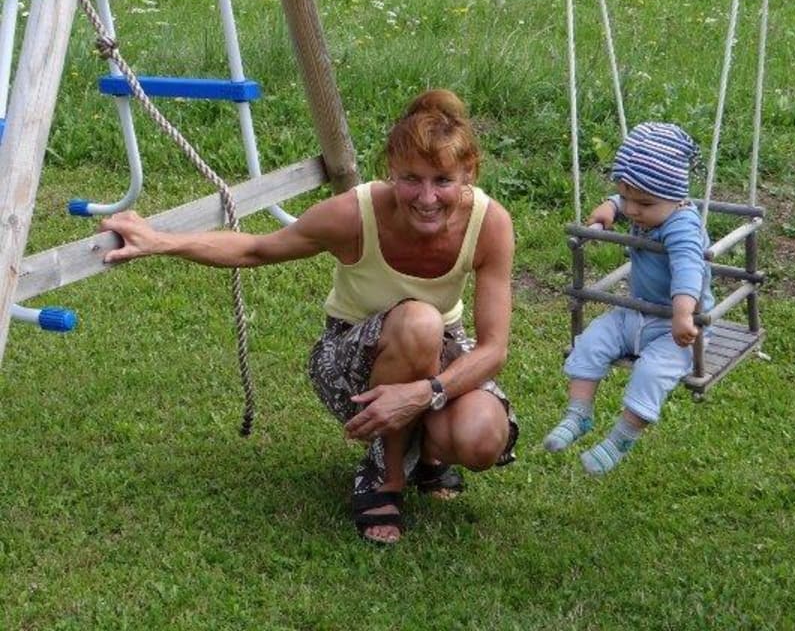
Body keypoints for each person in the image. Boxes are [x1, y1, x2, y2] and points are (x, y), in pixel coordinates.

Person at [100, 89, 518, 545]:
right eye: (411, 179)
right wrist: (161, 241)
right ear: (390, 173)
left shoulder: (490, 223)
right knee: (420, 321)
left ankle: (428, 455)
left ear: (469, 174)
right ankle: (385, 476)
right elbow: (258, 248)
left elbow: (493, 347)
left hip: (439, 351)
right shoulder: (355, 214)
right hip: (352, 355)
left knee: (480, 439)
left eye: (443, 180)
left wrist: (426, 392)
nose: (427, 197)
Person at [543, 121, 713, 475]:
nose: (633, 210)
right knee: (589, 341)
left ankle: (622, 437)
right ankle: (579, 414)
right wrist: (608, 208)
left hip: (675, 325)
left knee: (652, 372)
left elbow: (687, 270)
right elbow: (623, 201)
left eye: (643, 203)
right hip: (635, 315)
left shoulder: (682, 224)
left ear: (675, 196)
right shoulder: (647, 204)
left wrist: (685, 313)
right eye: (627, 197)